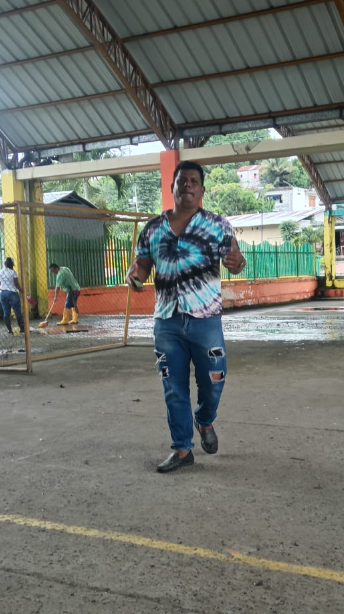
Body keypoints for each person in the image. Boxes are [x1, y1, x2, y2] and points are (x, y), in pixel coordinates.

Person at [126, 160, 246, 474]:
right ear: (173, 187)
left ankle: (204, 420)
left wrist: (237, 261)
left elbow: (236, 262)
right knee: (173, 386)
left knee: (214, 378)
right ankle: (182, 449)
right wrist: (135, 274)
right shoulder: (153, 228)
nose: (188, 185)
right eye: (182, 181)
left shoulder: (218, 225)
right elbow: (143, 263)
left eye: (193, 181)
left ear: (202, 189)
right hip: (167, 321)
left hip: (206, 318)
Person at [0, 257, 25, 335]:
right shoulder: (13, 272)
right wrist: (23, 292)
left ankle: (9, 330)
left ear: (4, 263)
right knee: (17, 311)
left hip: (3, 294)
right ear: (12, 264)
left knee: (6, 312)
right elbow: (16, 284)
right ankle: (22, 328)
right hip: (12, 293)